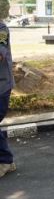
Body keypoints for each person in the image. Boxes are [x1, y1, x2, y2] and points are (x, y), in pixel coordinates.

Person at [0, 20, 15, 179]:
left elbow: (1, 55)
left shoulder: (1, 29)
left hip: (2, 86)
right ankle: (6, 160)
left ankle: (5, 161)